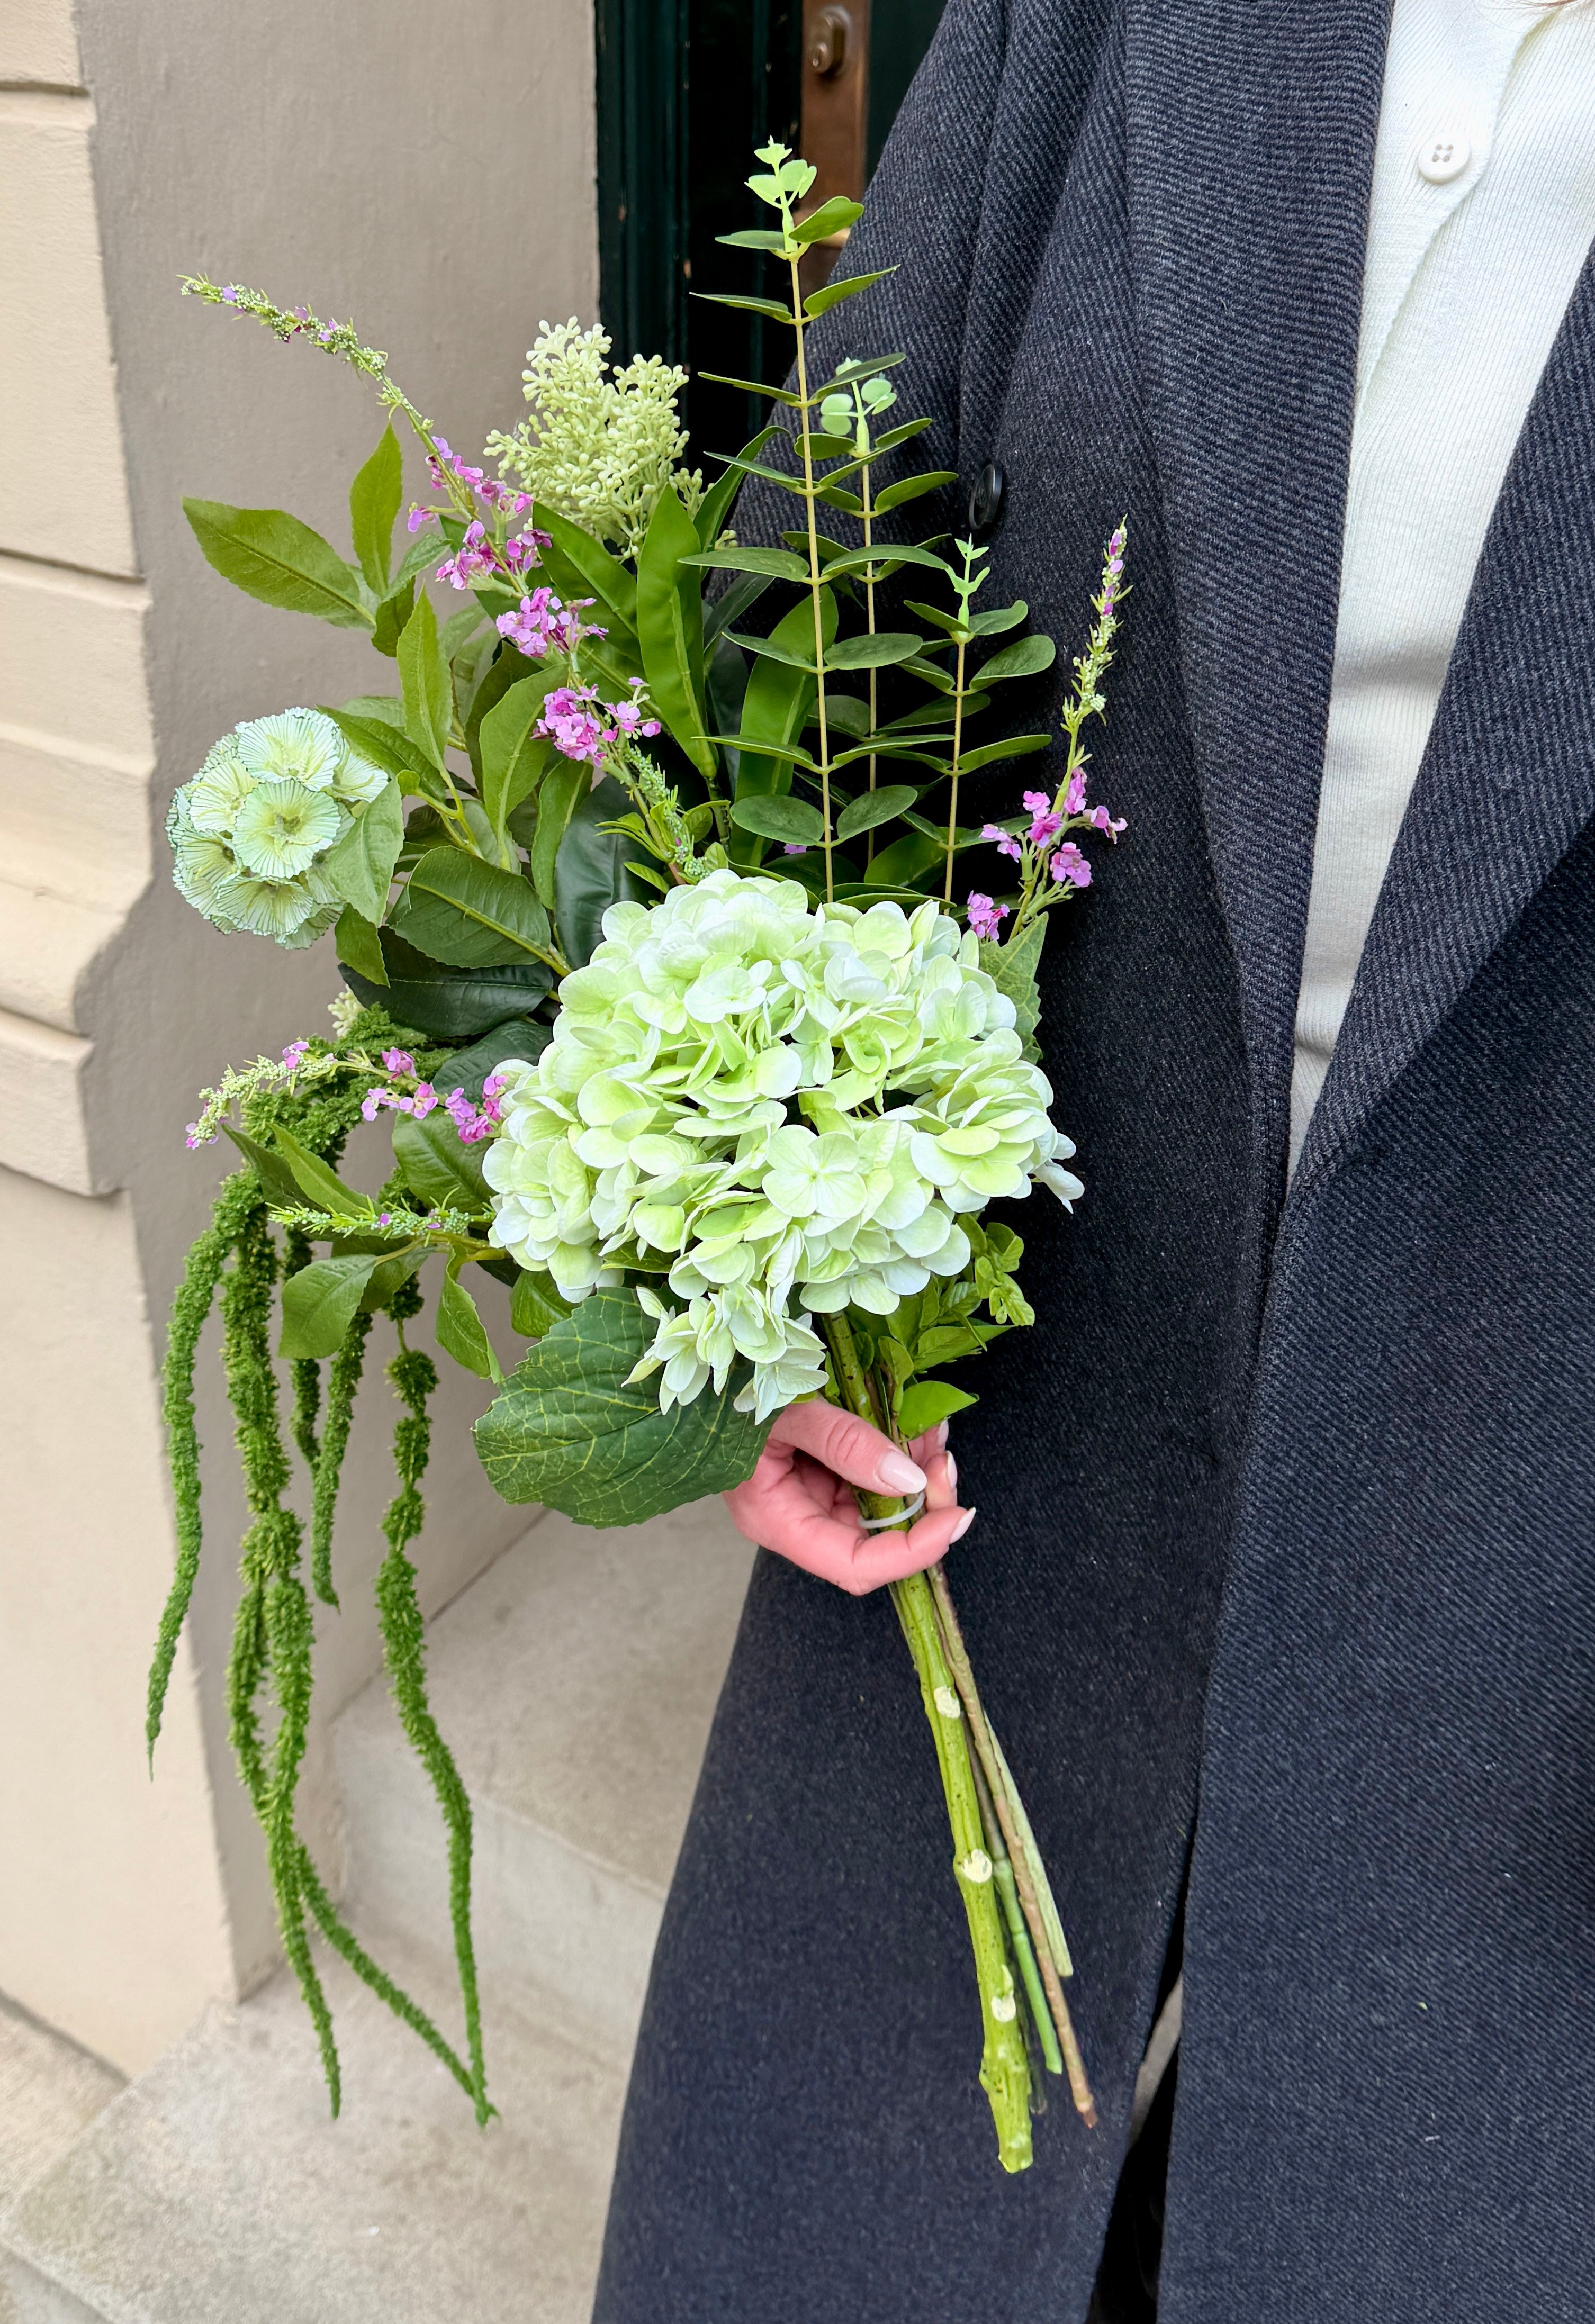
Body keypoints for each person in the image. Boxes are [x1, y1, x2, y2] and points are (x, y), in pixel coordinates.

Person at [593, 2, 1595, 2318]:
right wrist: (744, 1278)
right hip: (1012, 1433)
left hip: (1539, 1538)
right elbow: (814, 594)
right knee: (846, 2217)